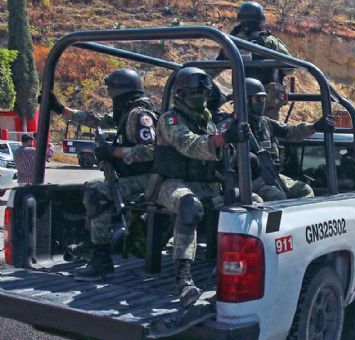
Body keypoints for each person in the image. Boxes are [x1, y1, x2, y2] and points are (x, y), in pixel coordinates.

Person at [44, 68, 158, 281]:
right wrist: (61, 110)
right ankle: (91, 245)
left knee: (98, 193)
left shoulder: (139, 116)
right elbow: (94, 120)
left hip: (148, 179)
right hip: (132, 176)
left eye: (111, 90)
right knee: (90, 186)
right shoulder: (125, 112)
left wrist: (114, 152)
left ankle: (102, 260)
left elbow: (151, 151)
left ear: (120, 91)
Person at [152, 67, 250, 307]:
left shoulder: (208, 123)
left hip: (205, 184)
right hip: (170, 184)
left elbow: (219, 152)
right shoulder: (170, 119)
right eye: (197, 93)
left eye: (205, 93)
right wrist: (221, 139)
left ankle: (242, 270)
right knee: (190, 207)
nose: (202, 98)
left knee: (251, 200)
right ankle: (183, 278)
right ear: (181, 94)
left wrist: (233, 140)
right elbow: (188, 144)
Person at [245, 78, 335, 201]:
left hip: (270, 174)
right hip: (247, 180)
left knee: (304, 190)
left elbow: (291, 132)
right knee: (277, 197)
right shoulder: (231, 126)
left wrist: (315, 126)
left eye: (263, 99)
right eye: (258, 99)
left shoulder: (265, 123)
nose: (262, 103)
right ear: (245, 100)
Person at [216, 1, 293, 120]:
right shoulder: (271, 42)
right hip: (268, 102)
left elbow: (214, 68)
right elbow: (289, 68)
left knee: (241, 125)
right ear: (261, 20)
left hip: (242, 98)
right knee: (269, 130)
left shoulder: (231, 42)